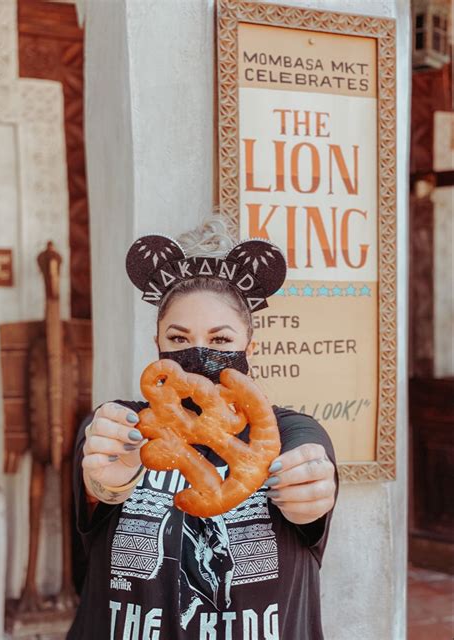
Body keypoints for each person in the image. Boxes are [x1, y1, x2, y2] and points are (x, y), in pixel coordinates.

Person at [67, 217, 338, 640]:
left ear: (251, 346)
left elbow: (309, 470)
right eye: (178, 339)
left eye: (220, 340)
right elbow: (99, 488)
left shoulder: (290, 433)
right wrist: (106, 484)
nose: (198, 354)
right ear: (156, 344)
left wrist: (311, 489)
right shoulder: (120, 426)